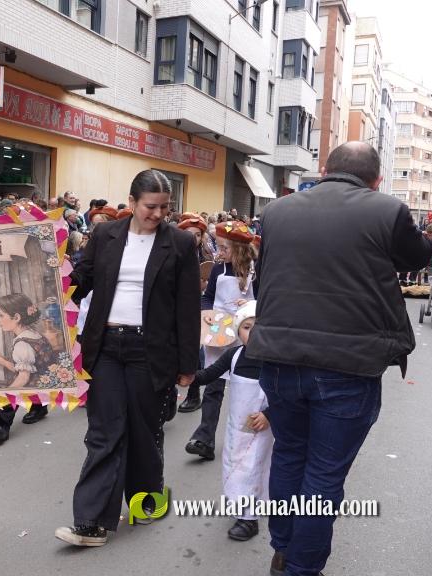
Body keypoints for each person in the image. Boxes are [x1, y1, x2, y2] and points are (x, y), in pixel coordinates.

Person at [248, 142, 432, 576]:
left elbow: (266, 277)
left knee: (290, 456)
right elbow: (419, 257)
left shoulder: (277, 212)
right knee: (324, 474)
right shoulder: (387, 210)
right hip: (348, 364)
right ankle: (301, 568)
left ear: (325, 168)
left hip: (280, 357)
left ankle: (284, 548)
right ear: (376, 180)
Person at [54, 170, 199, 547]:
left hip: (149, 352)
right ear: (132, 203)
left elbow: (187, 306)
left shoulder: (181, 243)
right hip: (105, 346)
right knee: (103, 433)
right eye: (151, 206)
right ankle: (90, 522)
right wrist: (50, 285)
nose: (158, 214)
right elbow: (81, 279)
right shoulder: (106, 235)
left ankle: (146, 499)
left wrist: (187, 366)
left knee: (144, 431)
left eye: (165, 207)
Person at [182, 301, 271, 541]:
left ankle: (249, 518)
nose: (252, 332)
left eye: (259, 326)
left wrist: (269, 415)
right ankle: (240, 502)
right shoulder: (234, 356)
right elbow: (209, 374)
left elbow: (285, 393)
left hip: (262, 426)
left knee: (255, 465)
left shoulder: (274, 361)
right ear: (238, 331)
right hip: (237, 427)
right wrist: (189, 378)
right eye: (247, 326)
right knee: (234, 464)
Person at [182, 221, 257, 454]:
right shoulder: (217, 269)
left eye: (224, 248)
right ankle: (205, 438)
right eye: (219, 247)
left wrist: (253, 304)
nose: (219, 252)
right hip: (219, 334)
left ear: (239, 248)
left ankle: (246, 438)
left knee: (245, 388)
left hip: (246, 336)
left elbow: (267, 298)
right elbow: (208, 296)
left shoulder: (257, 270)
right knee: (213, 386)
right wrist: (207, 315)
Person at [0, 293, 51, 442]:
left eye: (1, 316)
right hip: (42, 382)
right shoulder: (33, 333)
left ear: (16, 317)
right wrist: (1, 360)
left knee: (12, 392)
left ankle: (2, 425)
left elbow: (23, 377)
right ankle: (39, 407)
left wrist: (4, 395)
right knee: (25, 381)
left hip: (35, 383)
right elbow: (25, 368)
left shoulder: (22, 343)